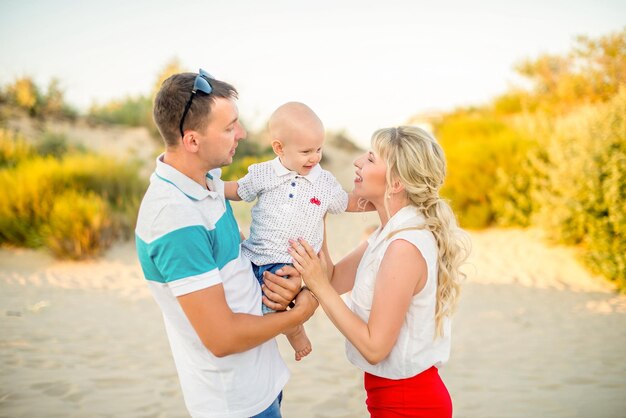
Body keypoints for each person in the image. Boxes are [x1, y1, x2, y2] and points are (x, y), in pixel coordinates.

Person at [135, 70, 318, 418]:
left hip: (262, 382)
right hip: (235, 403)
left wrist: (285, 284)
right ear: (192, 141)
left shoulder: (206, 181)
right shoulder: (173, 219)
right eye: (229, 126)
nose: (242, 134)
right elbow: (222, 339)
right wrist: (301, 313)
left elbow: (238, 259)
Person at [288, 126, 470, 417]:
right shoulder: (389, 232)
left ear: (396, 182)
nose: (358, 162)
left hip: (409, 404)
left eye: (371, 158)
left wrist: (318, 285)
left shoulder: (403, 247)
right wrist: (316, 210)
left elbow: (375, 348)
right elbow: (333, 280)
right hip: (390, 399)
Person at [224, 101, 369, 361]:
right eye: (305, 151)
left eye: (319, 149)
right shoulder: (264, 173)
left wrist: (374, 202)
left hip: (289, 262)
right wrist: (211, 188)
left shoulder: (323, 182)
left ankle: (294, 329)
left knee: (273, 304)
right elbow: (238, 190)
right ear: (279, 148)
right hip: (254, 253)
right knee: (243, 301)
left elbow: (346, 202)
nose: (314, 157)